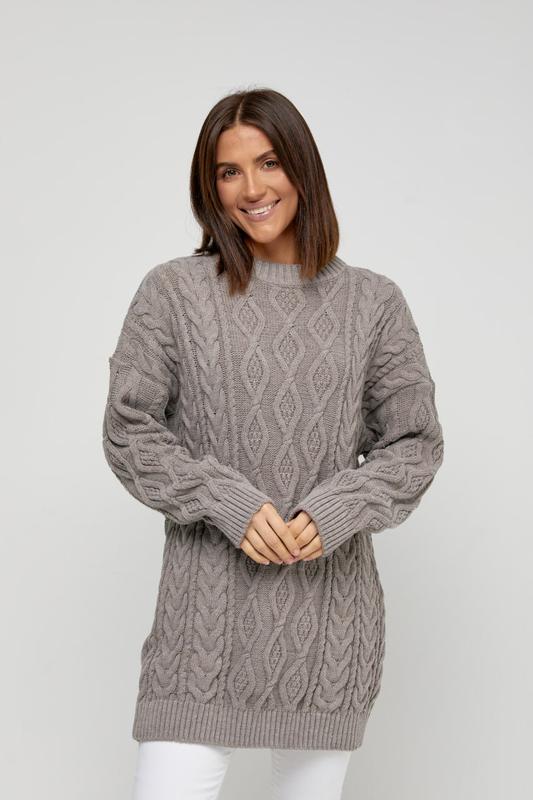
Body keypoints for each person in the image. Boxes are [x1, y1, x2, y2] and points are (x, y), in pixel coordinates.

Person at [102, 87, 445, 800]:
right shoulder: (173, 293)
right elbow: (128, 428)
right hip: (200, 636)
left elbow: (414, 443)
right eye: (228, 172)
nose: (252, 189)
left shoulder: (372, 303)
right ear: (209, 186)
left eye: (268, 163)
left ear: (301, 168)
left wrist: (337, 508)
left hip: (326, 638)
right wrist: (224, 499)